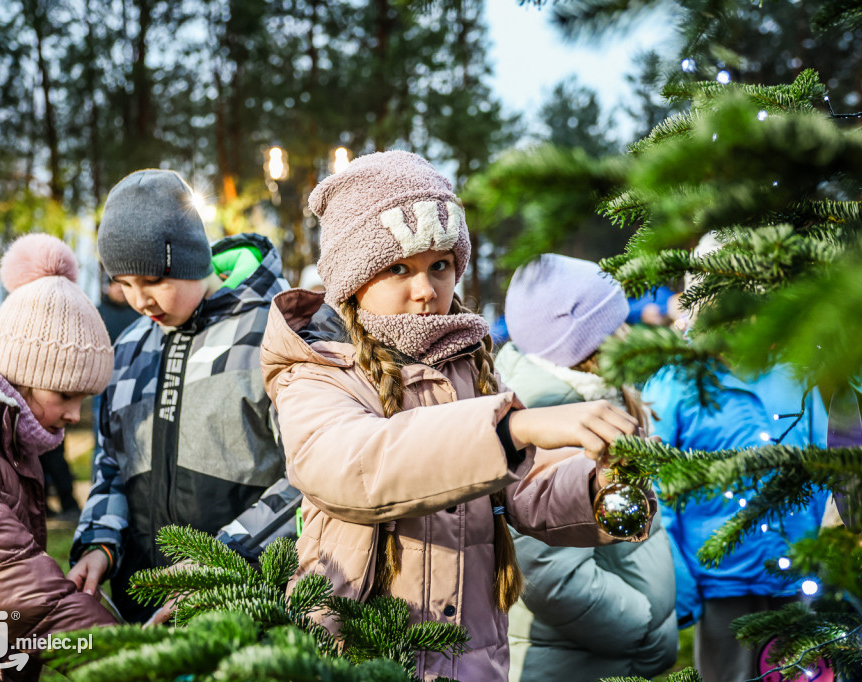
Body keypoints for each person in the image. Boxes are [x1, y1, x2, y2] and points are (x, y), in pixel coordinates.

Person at [259, 150, 656, 681]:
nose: (425, 290)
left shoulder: (469, 363)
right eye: (399, 268)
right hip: (360, 655)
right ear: (353, 277)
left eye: (439, 266)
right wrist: (510, 429)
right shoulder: (315, 367)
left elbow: (525, 491)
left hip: (469, 659)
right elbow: (354, 465)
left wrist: (600, 483)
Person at [68, 169, 288, 623]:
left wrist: (226, 559)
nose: (139, 300)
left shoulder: (272, 332)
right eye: (124, 284)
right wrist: (99, 542)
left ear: (188, 258)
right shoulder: (128, 347)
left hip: (250, 609)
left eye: (150, 281)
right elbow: (111, 464)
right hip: (144, 615)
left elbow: (313, 475)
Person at [0, 234, 118, 679]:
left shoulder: (7, 439)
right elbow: (27, 596)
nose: (74, 414)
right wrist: (143, 659)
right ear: (18, 376)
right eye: (65, 394)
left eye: (84, 398)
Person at [496, 253, 678, 681]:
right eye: (615, 325)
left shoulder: (595, 400)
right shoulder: (550, 418)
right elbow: (547, 573)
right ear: (579, 345)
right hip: (574, 659)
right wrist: (641, 626)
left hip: (605, 657)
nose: (629, 332)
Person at [643, 350, 827, 682]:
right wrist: (681, 586)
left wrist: (828, 556)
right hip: (721, 585)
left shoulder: (796, 370)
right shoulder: (675, 383)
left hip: (798, 576)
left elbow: (827, 468)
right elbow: (655, 491)